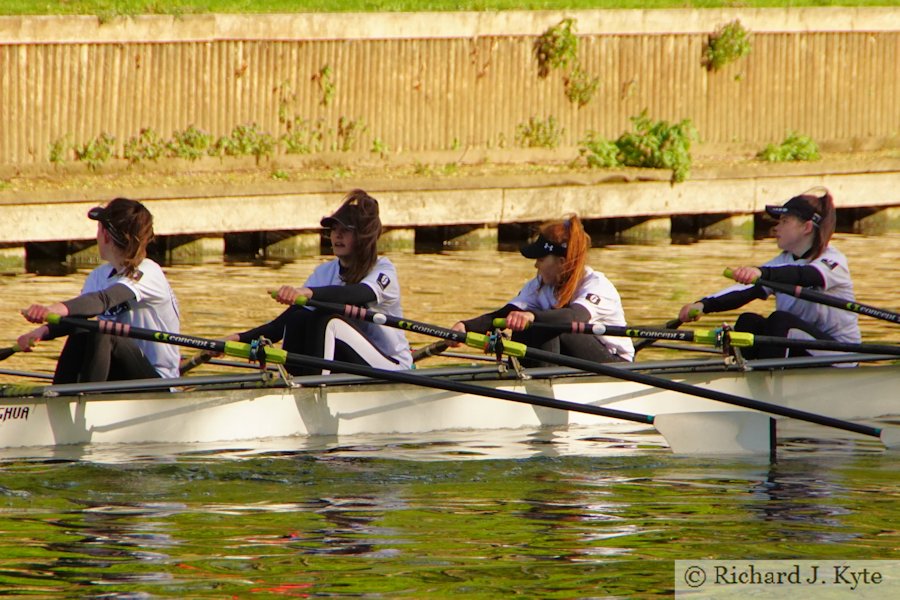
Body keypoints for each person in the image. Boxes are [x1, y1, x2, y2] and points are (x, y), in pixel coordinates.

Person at [227, 189, 412, 375]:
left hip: (391, 364)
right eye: (334, 230)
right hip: (350, 362)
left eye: (346, 230)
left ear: (363, 237)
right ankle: (298, 382)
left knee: (327, 319)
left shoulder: (383, 270)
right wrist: (236, 339)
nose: (337, 236)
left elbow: (360, 293)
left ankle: (318, 386)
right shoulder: (325, 271)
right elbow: (280, 325)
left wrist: (309, 293)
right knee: (297, 317)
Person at [677, 187, 860, 359]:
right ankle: (745, 376)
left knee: (780, 321)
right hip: (803, 347)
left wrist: (761, 273)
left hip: (841, 353)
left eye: (784, 221)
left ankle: (770, 381)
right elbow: (745, 291)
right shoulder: (782, 261)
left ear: (806, 227)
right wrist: (703, 305)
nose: (776, 228)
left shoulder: (833, 261)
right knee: (748, 322)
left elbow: (805, 275)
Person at [18, 197, 181, 383]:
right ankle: (59, 396)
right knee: (82, 329)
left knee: (104, 332)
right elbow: (76, 319)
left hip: (156, 378)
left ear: (105, 235)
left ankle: (87, 398)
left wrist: (53, 308)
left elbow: (103, 300)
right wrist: (40, 333)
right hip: (118, 375)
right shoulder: (98, 276)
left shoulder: (148, 272)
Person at [450, 215, 634, 365]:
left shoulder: (597, 286)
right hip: (573, 360)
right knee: (524, 322)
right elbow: (506, 313)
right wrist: (465, 327)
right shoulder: (541, 284)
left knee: (551, 324)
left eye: (541, 258)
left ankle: (541, 385)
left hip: (614, 363)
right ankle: (528, 382)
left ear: (562, 263)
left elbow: (575, 316)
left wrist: (532, 317)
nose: (536, 265)